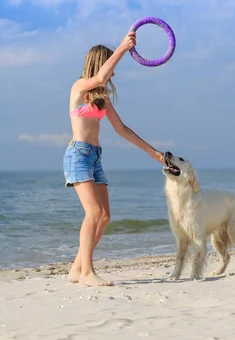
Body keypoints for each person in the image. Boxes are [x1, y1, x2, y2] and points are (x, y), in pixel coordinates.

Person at [64, 31, 165, 287]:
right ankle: (87, 272)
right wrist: (122, 47)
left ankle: (77, 267)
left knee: (105, 215)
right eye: (109, 66)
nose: (112, 75)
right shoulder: (78, 87)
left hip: (95, 157)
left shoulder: (101, 99)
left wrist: (156, 154)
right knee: (94, 212)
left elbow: (122, 130)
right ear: (100, 64)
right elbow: (99, 77)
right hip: (78, 155)